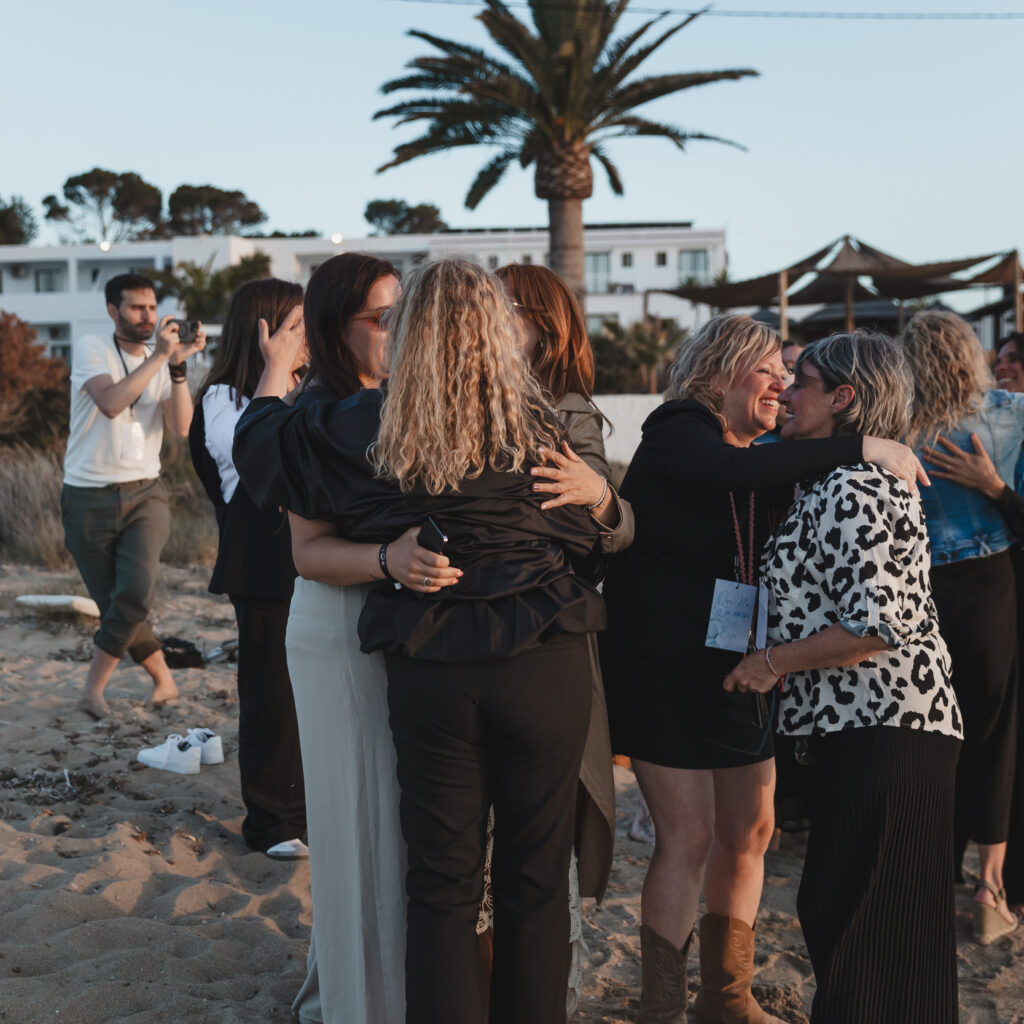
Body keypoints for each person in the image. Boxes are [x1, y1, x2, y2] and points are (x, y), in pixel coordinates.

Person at [234, 257, 606, 1024]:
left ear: (410, 331)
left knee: (442, 883)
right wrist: (601, 497)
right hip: (543, 657)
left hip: (433, 664)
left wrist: (274, 371)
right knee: (533, 880)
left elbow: (260, 445)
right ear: (495, 333)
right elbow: (592, 542)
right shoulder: (536, 423)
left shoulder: (367, 424)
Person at [599, 313, 926, 1024]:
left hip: (743, 668)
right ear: (721, 371)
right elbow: (730, 470)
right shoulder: (678, 428)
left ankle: (727, 998)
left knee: (751, 831)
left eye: (788, 373)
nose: (782, 382)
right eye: (768, 369)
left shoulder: (772, 456)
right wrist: (862, 445)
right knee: (684, 839)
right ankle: (660, 1007)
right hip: (661, 673)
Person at [724, 330, 963, 1024]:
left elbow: (877, 625)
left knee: (860, 925)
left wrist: (767, 664)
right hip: (874, 728)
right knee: (860, 922)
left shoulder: (860, 486)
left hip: (893, 727)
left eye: (801, 381)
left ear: (844, 397)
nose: (787, 393)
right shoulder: (834, 476)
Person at [495, 262, 630, 996]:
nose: (493, 317)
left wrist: (601, 498)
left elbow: (612, 529)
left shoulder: (568, 405)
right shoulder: (454, 392)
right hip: (477, 643)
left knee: (539, 837)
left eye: (507, 307)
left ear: (545, 326)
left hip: (548, 634)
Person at [901, 310, 1024, 944]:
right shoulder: (1011, 411)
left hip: (924, 590)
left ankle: (930, 878)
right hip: (993, 583)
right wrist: (996, 487)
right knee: (997, 733)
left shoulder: (896, 423)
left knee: (935, 732)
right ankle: (989, 888)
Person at [187, 278, 308, 859]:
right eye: (296, 326)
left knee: (313, 692)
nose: (307, 337)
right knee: (271, 694)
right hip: (260, 565)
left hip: (313, 558)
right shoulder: (223, 399)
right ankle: (270, 821)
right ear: (264, 330)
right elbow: (248, 460)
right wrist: (277, 372)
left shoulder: (311, 389)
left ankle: (306, 810)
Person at [61, 272, 206, 719]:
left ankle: (92, 690)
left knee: (136, 593)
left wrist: (176, 366)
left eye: (152, 306)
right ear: (113, 311)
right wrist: (158, 358)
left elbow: (181, 427)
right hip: (87, 495)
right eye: (137, 308)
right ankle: (164, 681)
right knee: (116, 604)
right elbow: (111, 402)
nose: (148, 315)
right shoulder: (92, 348)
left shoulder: (161, 360)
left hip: (146, 492)